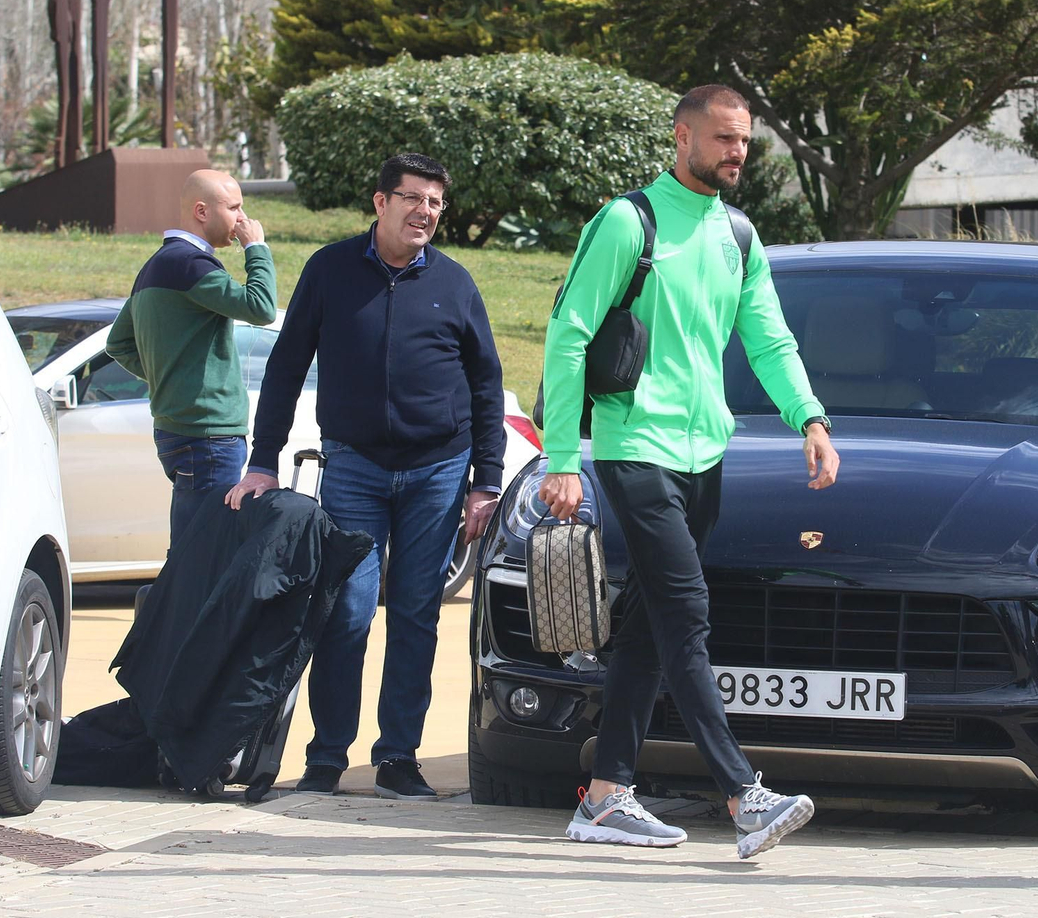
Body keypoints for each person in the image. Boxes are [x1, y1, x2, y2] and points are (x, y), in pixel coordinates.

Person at [538, 85, 841, 859]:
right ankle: (743, 793)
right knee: (685, 613)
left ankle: (604, 797)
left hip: (705, 457)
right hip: (633, 449)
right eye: (723, 139)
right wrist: (565, 458)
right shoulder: (626, 222)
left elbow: (769, 340)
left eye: (744, 141)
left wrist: (809, 416)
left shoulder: (737, 233)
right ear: (683, 138)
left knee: (647, 626)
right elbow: (570, 333)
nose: (737, 152)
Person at [225, 153, 506, 801]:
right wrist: (262, 461)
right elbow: (288, 367)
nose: (425, 213)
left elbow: (487, 385)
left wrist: (485, 483)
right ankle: (327, 757)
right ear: (379, 203)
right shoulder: (330, 271)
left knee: (414, 616)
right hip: (353, 466)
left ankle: (397, 757)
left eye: (436, 203)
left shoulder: (456, 284)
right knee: (345, 613)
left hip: (438, 472)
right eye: (413, 199)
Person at [105, 168, 274, 550]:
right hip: (208, 434)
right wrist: (256, 249)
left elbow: (118, 344)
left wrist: (172, 377)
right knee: (203, 554)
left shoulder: (156, 264)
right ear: (202, 211)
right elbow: (261, 307)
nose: (243, 220)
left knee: (192, 548)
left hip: (178, 431)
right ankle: (176, 612)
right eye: (234, 208)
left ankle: (173, 610)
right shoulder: (191, 265)